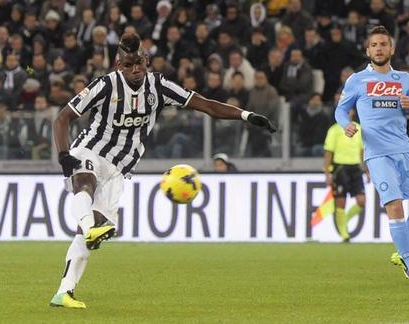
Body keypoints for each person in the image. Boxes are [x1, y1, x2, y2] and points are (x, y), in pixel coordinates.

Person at [50, 33, 276, 308]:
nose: (135, 70)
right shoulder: (104, 85)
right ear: (118, 65)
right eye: (128, 65)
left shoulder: (159, 87)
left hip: (120, 168)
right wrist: (64, 156)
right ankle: (89, 228)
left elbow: (205, 105)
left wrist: (246, 115)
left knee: (89, 237)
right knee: (85, 183)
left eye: (139, 64)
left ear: (146, 61)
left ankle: (64, 292)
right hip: (90, 151)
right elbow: (63, 118)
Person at [335, 26, 409, 286]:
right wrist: (344, 125)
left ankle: (404, 252)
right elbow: (340, 110)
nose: (379, 48)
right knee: (395, 206)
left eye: (383, 44)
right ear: (368, 50)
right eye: (374, 45)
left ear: (391, 49)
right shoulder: (357, 80)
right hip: (378, 153)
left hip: (405, 149)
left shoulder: (404, 78)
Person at [323, 109, 369, 242]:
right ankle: (344, 234)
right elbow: (328, 153)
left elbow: (362, 151)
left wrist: (366, 169)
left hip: (355, 167)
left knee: (361, 201)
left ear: (353, 113)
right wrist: (327, 173)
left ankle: (344, 221)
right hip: (340, 167)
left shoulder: (359, 128)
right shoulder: (334, 130)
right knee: (341, 201)